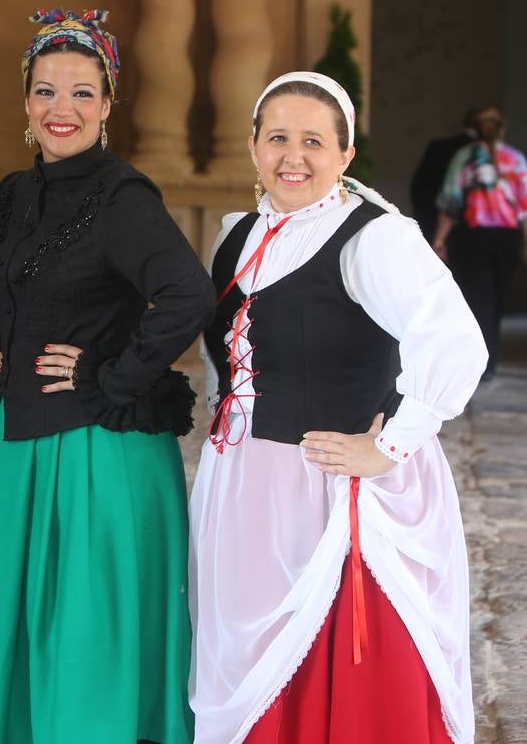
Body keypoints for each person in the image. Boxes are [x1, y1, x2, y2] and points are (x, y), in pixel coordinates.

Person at [0, 9, 214, 744]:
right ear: (25, 102)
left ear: (108, 105)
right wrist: (0, 347)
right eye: (47, 92)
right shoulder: (19, 193)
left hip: (97, 451)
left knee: (81, 617)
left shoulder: (123, 197)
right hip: (26, 443)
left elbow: (188, 294)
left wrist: (110, 376)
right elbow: (9, 293)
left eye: (83, 94)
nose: (63, 110)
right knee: (22, 613)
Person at [189, 71, 486, 744]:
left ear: (346, 155)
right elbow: (230, 358)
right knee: (245, 654)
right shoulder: (237, 235)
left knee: (330, 666)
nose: (293, 157)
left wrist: (390, 446)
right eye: (278, 138)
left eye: (314, 142)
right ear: (254, 145)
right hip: (244, 489)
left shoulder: (374, 238)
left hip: (332, 492)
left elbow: (455, 342)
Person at [432, 106, 527, 378]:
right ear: (502, 129)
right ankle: (491, 361)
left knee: (477, 302)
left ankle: (479, 365)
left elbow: (451, 202)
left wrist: (439, 239)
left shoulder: (465, 157)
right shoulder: (516, 159)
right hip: (507, 240)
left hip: (474, 239)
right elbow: (525, 208)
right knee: (497, 302)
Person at [409, 109, 477, 242]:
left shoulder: (439, 147)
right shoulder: (495, 156)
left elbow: (418, 185)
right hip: (471, 228)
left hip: (431, 217)